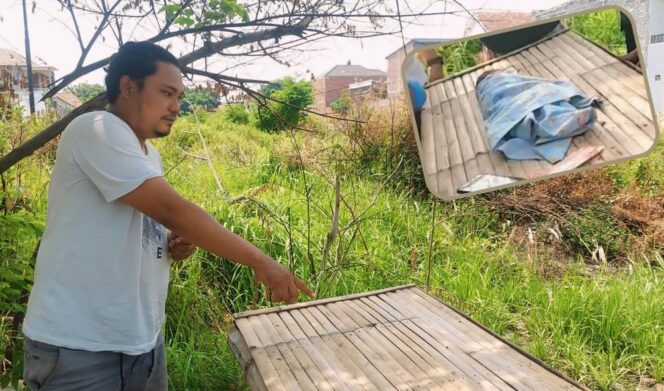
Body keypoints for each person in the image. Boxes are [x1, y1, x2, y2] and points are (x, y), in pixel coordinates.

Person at [21, 41, 314, 390]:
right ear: (128, 87)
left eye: (179, 96)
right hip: (79, 349)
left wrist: (171, 243)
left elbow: (147, 225)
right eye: (166, 93)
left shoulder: (149, 155)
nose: (176, 107)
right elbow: (175, 210)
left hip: (141, 343)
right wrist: (260, 261)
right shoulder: (96, 129)